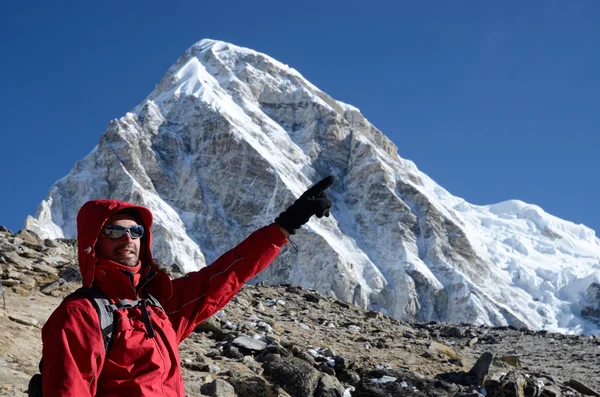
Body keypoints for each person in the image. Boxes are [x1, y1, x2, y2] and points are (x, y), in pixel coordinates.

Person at [39, 176, 334, 396]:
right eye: (114, 231)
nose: (127, 239)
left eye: (135, 231)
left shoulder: (157, 308)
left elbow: (222, 277)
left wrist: (284, 227)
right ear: (94, 241)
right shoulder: (81, 314)